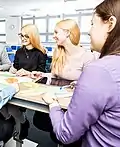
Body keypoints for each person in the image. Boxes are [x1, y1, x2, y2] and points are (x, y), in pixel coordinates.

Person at [43, 0, 120, 146]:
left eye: (92, 24)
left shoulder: (98, 69)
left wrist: (53, 104)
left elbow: (65, 134)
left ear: (110, 24)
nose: (89, 31)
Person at [31, 19, 95, 147]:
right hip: (55, 99)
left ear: (67, 33)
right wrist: (43, 74)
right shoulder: (58, 52)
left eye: (56, 32)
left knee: (68, 137)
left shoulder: (87, 56)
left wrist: (78, 83)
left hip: (73, 104)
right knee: (45, 124)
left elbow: (90, 84)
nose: (53, 36)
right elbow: (55, 75)